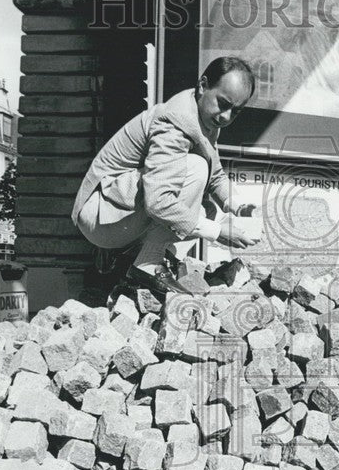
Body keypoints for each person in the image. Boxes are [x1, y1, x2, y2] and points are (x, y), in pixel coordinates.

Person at [72, 56, 260, 294]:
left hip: (123, 211)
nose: (226, 116)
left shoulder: (205, 116)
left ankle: (140, 260)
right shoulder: (177, 121)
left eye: (236, 111)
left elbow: (216, 175)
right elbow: (158, 201)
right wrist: (217, 232)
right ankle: (148, 265)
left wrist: (241, 207)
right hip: (100, 214)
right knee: (196, 169)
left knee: (206, 209)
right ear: (203, 85)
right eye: (223, 104)